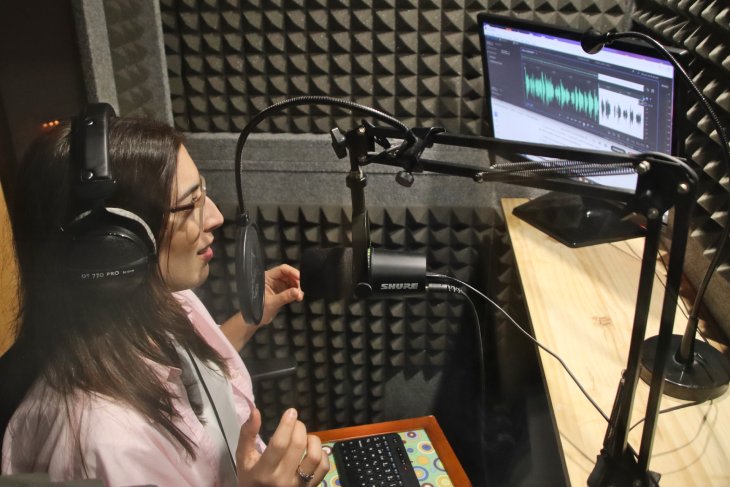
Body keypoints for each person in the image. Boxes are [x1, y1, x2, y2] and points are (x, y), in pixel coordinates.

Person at [0, 113, 329, 486]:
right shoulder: (106, 447)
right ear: (111, 246)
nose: (215, 217)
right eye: (189, 205)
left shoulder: (165, 301)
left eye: (203, 192)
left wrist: (252, 316)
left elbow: (191, 371)